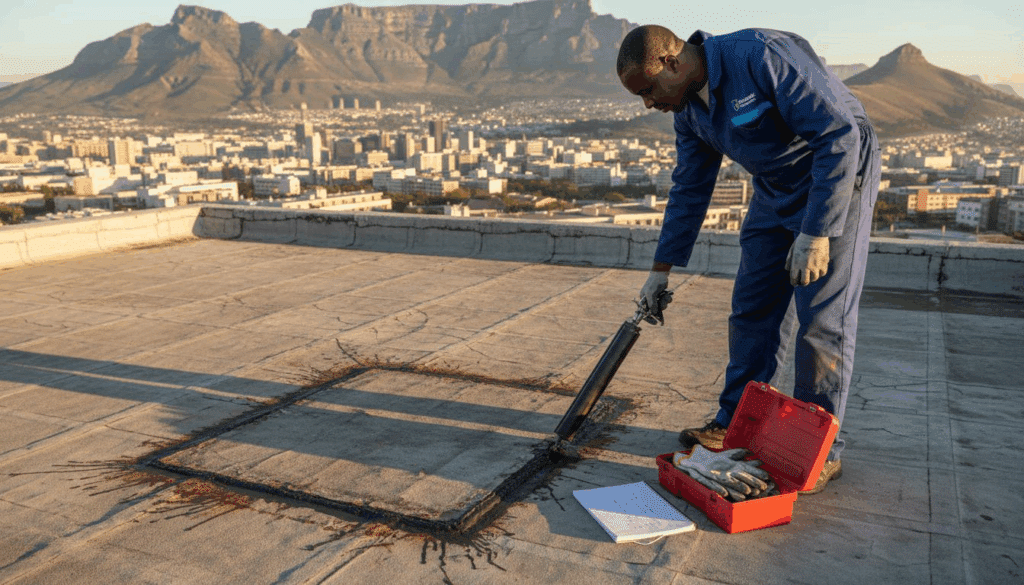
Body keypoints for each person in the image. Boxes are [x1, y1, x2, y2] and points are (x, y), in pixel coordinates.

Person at [617, 25, 881, 494]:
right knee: (752, 306)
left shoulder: (759, 56)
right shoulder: (688, 111)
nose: (648, 104)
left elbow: (838, 135)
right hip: (775, 187)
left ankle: (820, 450)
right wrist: (661, 270)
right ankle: (736, 421)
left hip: (837, 177)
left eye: (648, 90)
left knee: (822, 321)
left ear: (672, 62)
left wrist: (817, 232)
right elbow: (690, 189)